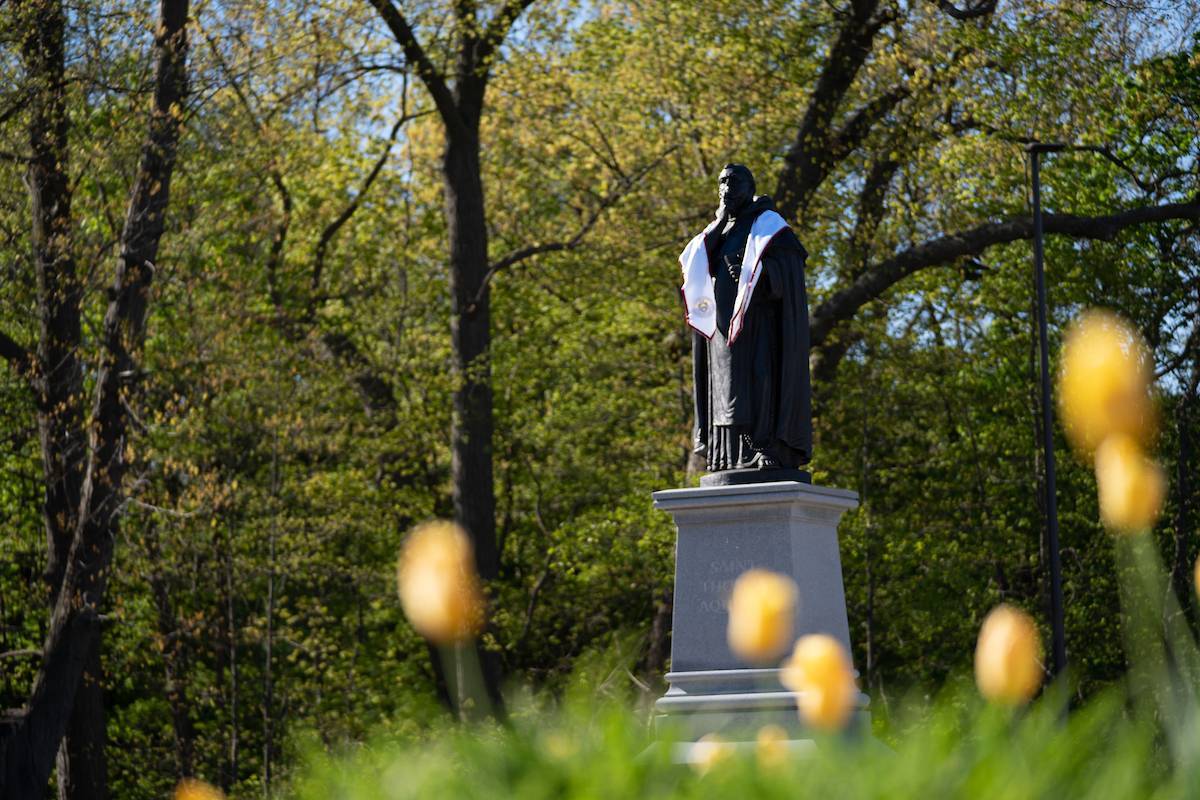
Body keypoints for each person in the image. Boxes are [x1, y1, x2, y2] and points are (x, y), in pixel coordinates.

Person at [678, 164, 812, 480]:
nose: (727, 187)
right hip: (720, 331)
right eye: (722, 182)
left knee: (759, 380)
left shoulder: (770, 227)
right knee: (724, 387)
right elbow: (695, 264)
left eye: (734, 181)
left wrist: (764, 277)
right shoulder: (718, 231)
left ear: (750, 187)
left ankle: (764, 446)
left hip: (760, 325)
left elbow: (791, 270)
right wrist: (721, 219)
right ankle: (728, 454)